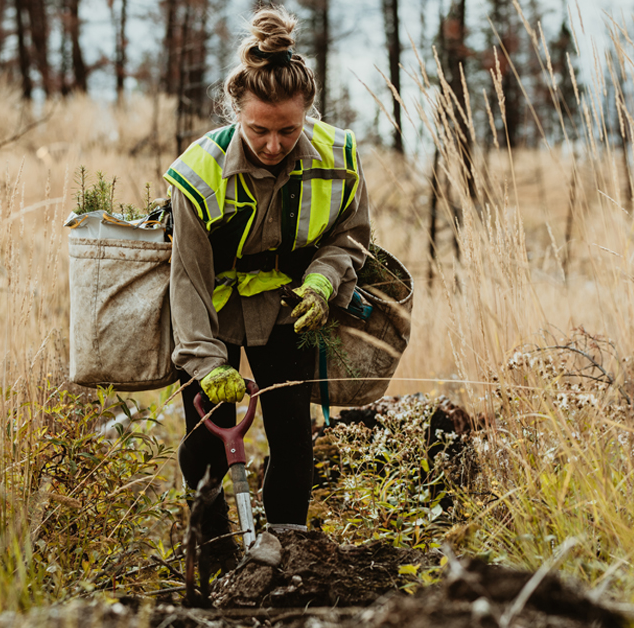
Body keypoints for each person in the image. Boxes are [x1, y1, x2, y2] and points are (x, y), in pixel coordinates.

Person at [162, 5, 371, 577]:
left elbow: (350, 238)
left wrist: (324, 282)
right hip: (213, 314)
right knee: (206, 442)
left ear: (307, 113)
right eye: (258, 130)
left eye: (288, 130)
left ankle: (287, 559)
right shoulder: (198, 174)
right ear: (234, 113)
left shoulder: (339, 158)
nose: (274, 144)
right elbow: (188, 281)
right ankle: (210, 558)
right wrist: (206, 364)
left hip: (290, 309)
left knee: (292, 438)